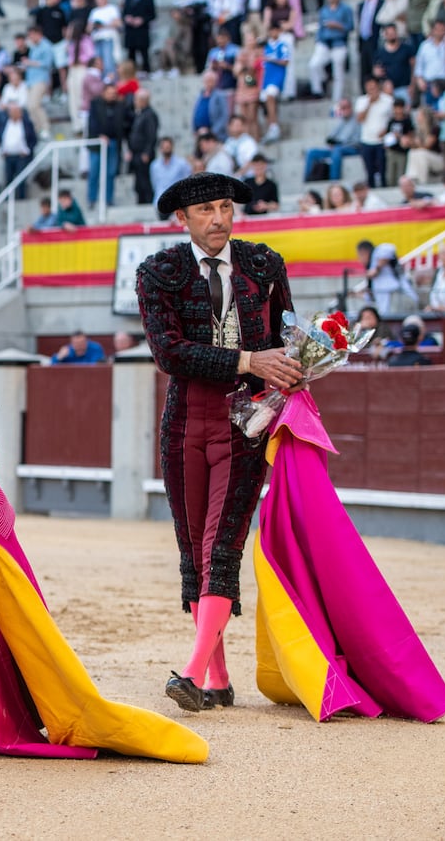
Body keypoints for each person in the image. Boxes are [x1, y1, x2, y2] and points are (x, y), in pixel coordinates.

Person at [136, 172, 299, 712]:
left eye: (226, 207)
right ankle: (219, 676)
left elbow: (287, 336)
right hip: (184, 421)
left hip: (246, 423)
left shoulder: (264, 266)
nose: (219, 219)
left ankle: (191, 670)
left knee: (221, 544)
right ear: (182, 218)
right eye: (206, 209)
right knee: (194, 550)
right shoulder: (159, 272)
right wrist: (250, 361)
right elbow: (170, 354)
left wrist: (297, 365)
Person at [357, 238, 416, 313]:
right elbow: (370, 296)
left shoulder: (377, 252)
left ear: (364, 252)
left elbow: (390, 249)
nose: (360, 259)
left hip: (396, 295)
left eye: (360, 255)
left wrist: (377, 268)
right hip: (387, 304)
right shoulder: (371, 266)